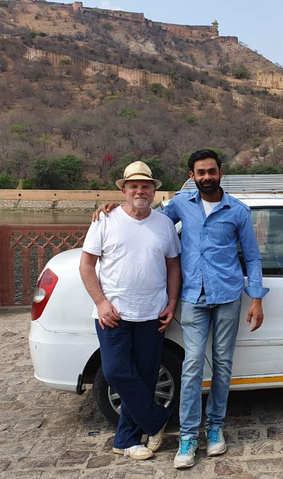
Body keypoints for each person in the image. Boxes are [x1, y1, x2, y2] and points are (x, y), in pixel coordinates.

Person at [94, 149, 267, 469]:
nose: (206, 177)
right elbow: (144, 217)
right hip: (192, 298)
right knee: (192, 368)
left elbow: (253, 257)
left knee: (223, 365)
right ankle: (188, 435)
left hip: (228, 296)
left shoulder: (238, 211)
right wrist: (113, 209)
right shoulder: (179, 207)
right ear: (191, 176)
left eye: (211, 171)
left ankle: (215, 430)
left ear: (220, 173)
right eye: (200, 172)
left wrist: (255, 298)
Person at [80, 161, 181, 460]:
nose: (140, 190)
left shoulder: (164, 224)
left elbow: (173, 266)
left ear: (153, 191)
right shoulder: (105, 220)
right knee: (116, 372)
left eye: (145, 186)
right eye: (133, 186)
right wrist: (101, 302)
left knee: (147, 378)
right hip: (113, 315)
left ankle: (125, 440)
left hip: (152, 315)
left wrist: (172, 302)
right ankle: (157, 419)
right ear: (123, 190)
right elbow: (87, 265)